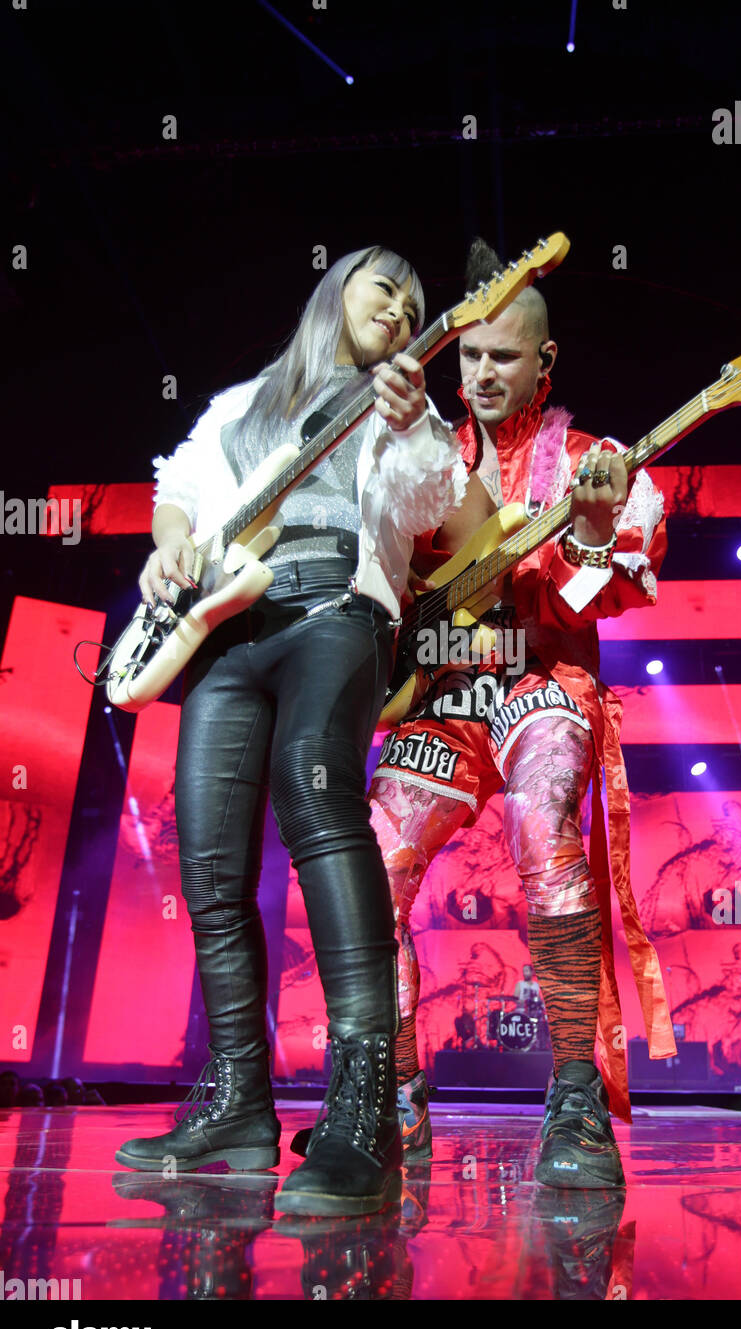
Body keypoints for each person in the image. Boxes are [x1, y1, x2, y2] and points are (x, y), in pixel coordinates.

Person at [114, 246, 465, 1217]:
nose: (399, 307)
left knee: (321, 806)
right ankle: (236, 1103)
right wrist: (172, 538)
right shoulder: (245, 403)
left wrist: (413, 422)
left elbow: (442, 504)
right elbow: (180, 478)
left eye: (414, 300)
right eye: (383, 286)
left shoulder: (404, 401)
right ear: (335, 291)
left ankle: (361, 1109)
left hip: (339, 613)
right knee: (211, 866)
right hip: (232, 626)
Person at [358, 239, 676, 1187]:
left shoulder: (600, 462)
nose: (483, 373)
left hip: (543, 683)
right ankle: (393, 1100)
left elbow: (596, 600)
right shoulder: (422, 459)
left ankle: (575, 1098)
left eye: (505, 355)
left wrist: (584, 528)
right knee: (369, 864)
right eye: (470, 355)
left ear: (545, 362)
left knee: (543, 824)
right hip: (445, 694)